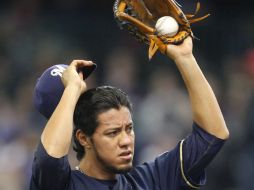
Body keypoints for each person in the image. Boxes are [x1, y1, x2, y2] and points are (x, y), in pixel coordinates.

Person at [30, 37, 229, 190]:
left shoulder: (152, 179)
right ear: (83, 138)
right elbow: (49, 158)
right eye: (112, 133)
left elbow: (213, 135)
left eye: (129, 129)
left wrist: (185, 58)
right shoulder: (61, 184)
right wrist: (72, 88)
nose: (126, 141)